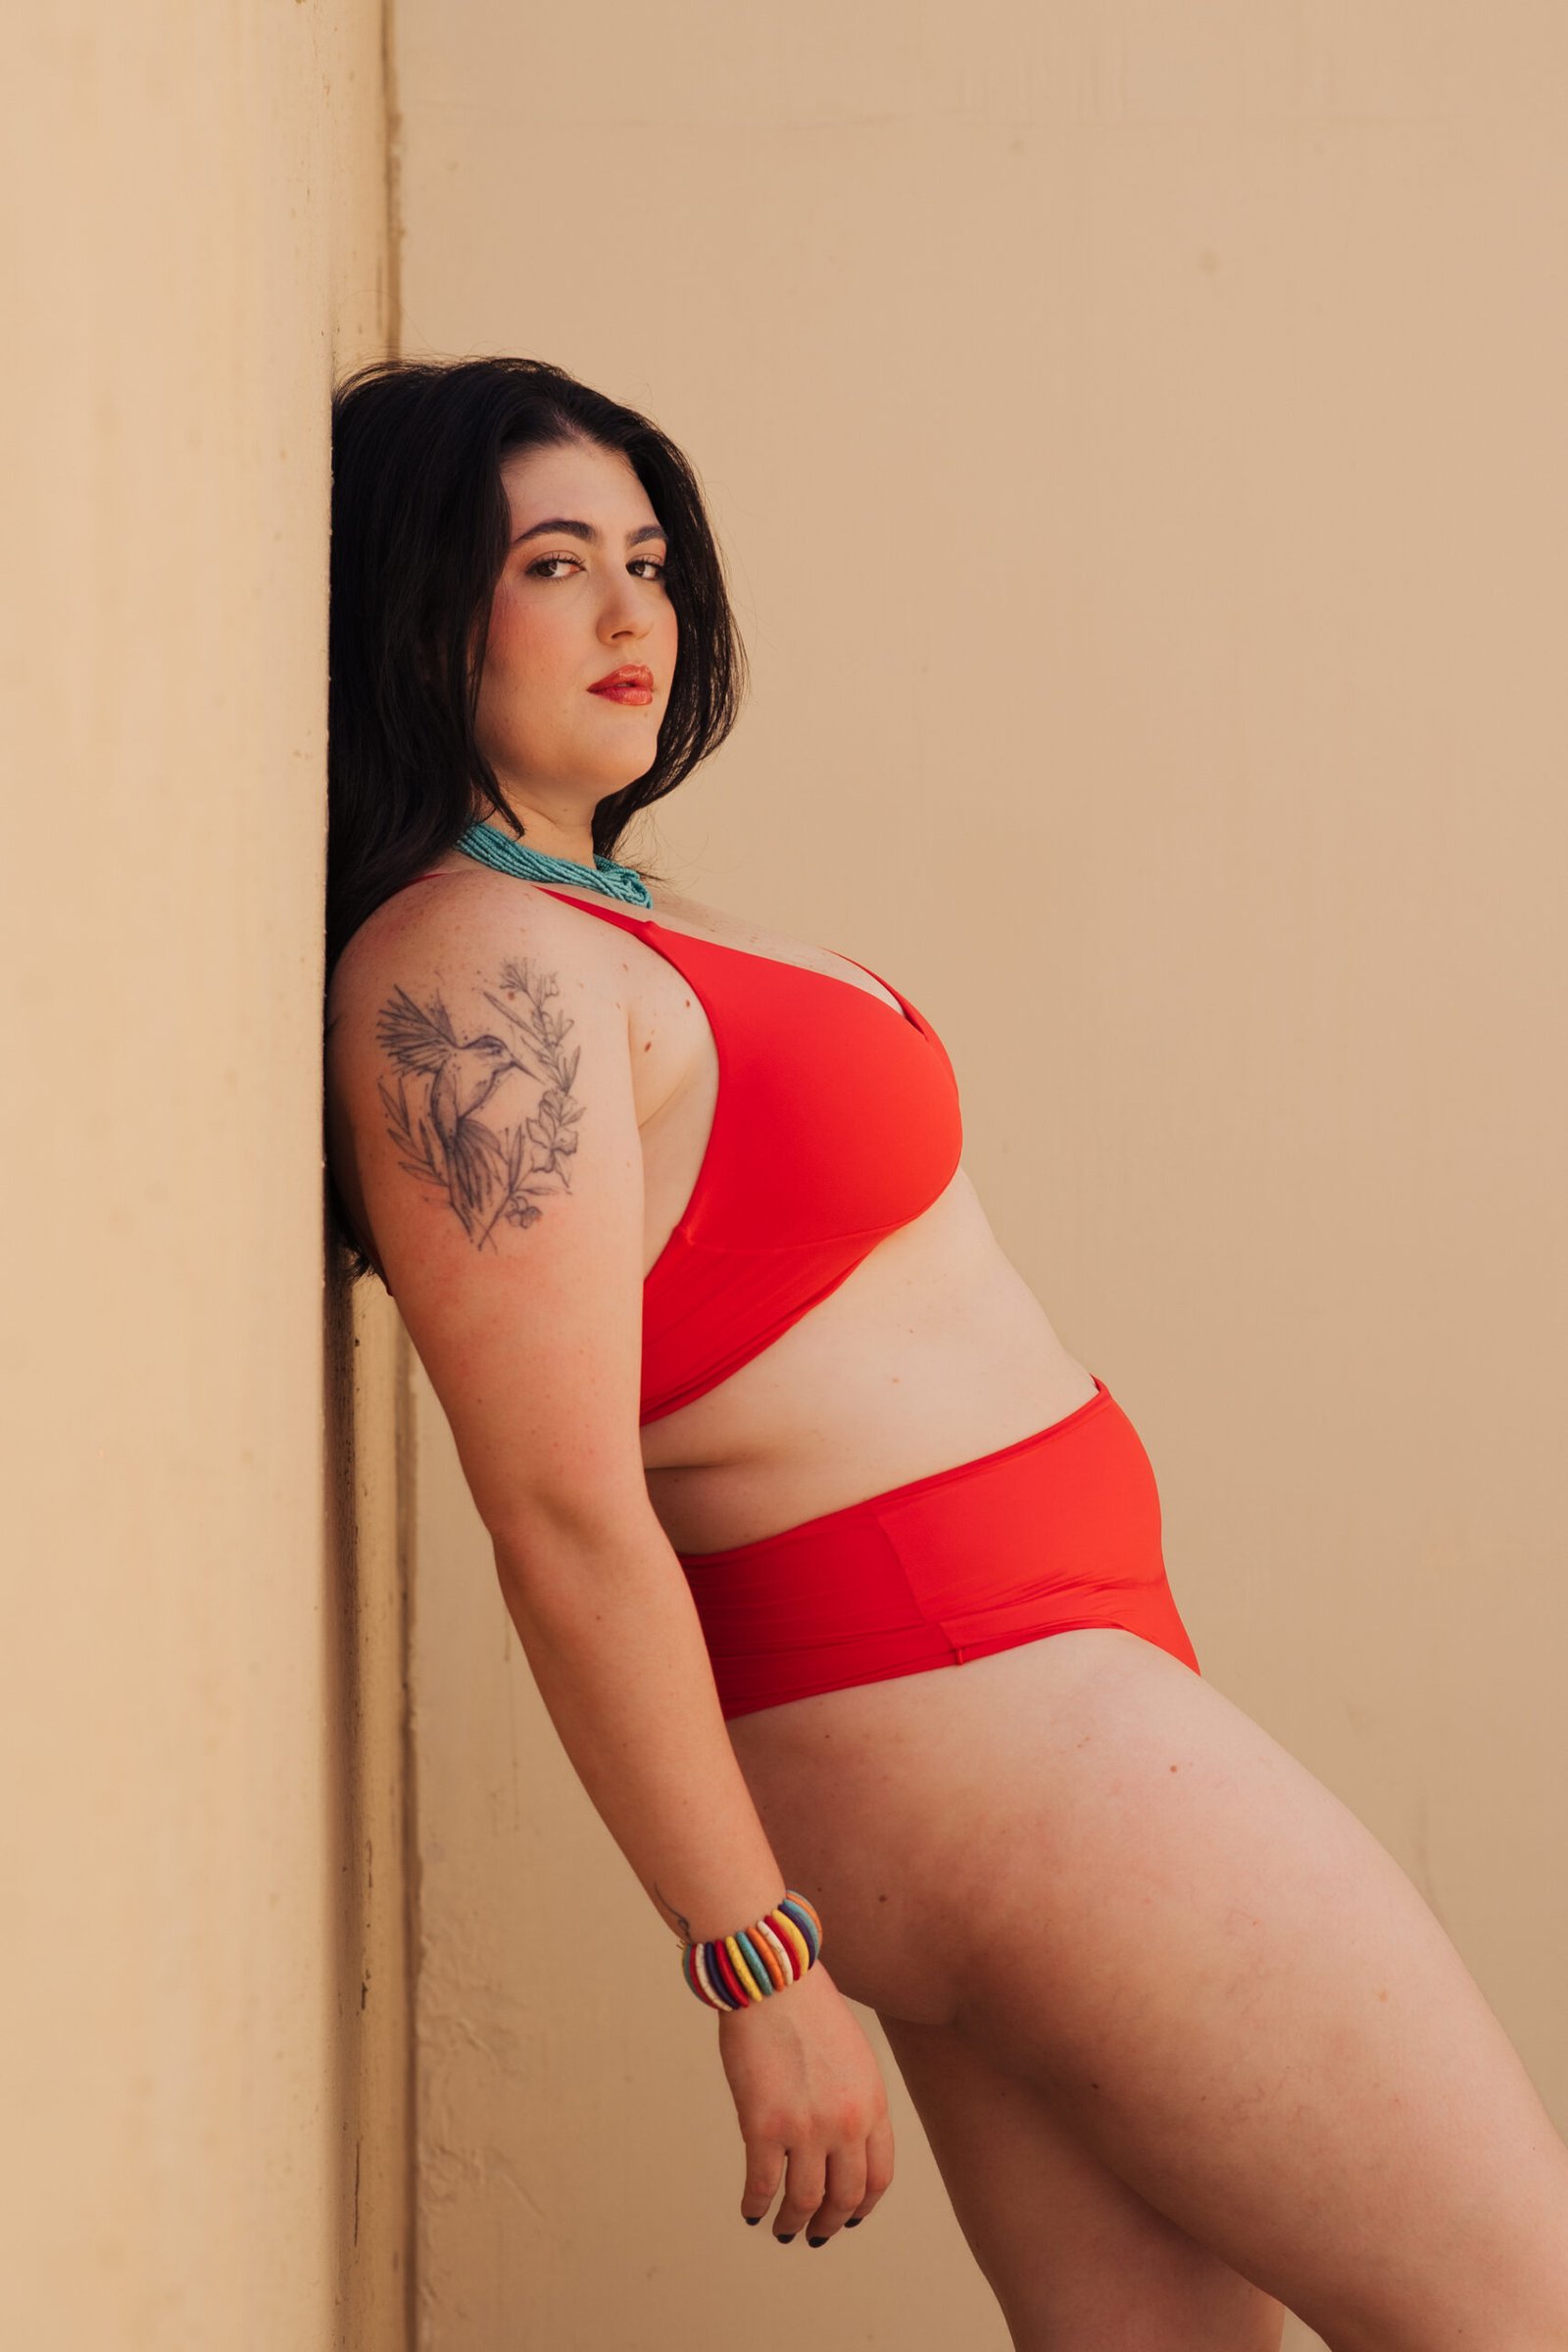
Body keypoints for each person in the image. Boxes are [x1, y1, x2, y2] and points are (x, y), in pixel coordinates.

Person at [322, 355, 1568, 2350]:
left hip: (1017, 1702)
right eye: (551, 564)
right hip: (977, 1719)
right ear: (409, 606)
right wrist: (754, 1963)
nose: (632, 610)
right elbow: (555, 1508)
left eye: (647, 558)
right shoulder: (470, 977)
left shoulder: (593, 919)